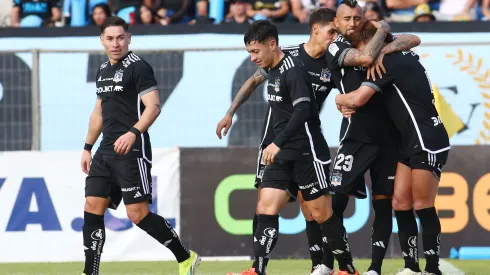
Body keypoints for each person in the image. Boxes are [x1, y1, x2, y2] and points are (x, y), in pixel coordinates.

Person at [227, 19, 359, 275]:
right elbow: (255, 85)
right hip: (280, 152)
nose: (253, 58)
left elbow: (302, 110)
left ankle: (347, 268)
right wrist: (229, 113)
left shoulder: (293, 70)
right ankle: (258, 270)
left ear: (272, 44)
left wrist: (277, 142)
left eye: (256, 51)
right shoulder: (271, 67)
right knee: (266, 207)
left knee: (321, 214)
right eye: (250, 53)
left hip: (307, 151)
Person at [80, 16, 200, 275]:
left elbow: (154, 106)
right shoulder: (102, 70)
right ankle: (90, 272)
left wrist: (133, 133)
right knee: (92, 206)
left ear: (129, 38)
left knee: (138, 214)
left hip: (131, 151)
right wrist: (88, 146)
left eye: (120, 38)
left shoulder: (139, 67)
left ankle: (185, 257)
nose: (115, 44)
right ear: (102, 40)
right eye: (110, 39)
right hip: (105, 151)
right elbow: (98, 113)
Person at [335, 40, 450, 275]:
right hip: (406, 141)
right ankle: (411, 266)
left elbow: (357, 99)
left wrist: (339, 100)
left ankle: (433, 268)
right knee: (400, 203)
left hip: (425, 137)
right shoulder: (398, 54)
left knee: (422, 204)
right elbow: (411, 38)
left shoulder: (388, 62)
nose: (363, 52)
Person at [325, 1, 420, 274]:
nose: (353, 23)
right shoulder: (336, 47)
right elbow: (365, 59)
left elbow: (414, 38)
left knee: (384, 204)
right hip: (354, 137)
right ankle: (338, 265)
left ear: (363, 19)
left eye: (357, 18)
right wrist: (383, 34)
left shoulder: (374, 40)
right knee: (336, 202)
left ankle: (375, 268)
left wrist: (384, 48)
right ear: (337, 23)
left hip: (388, 138)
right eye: (347, 19)